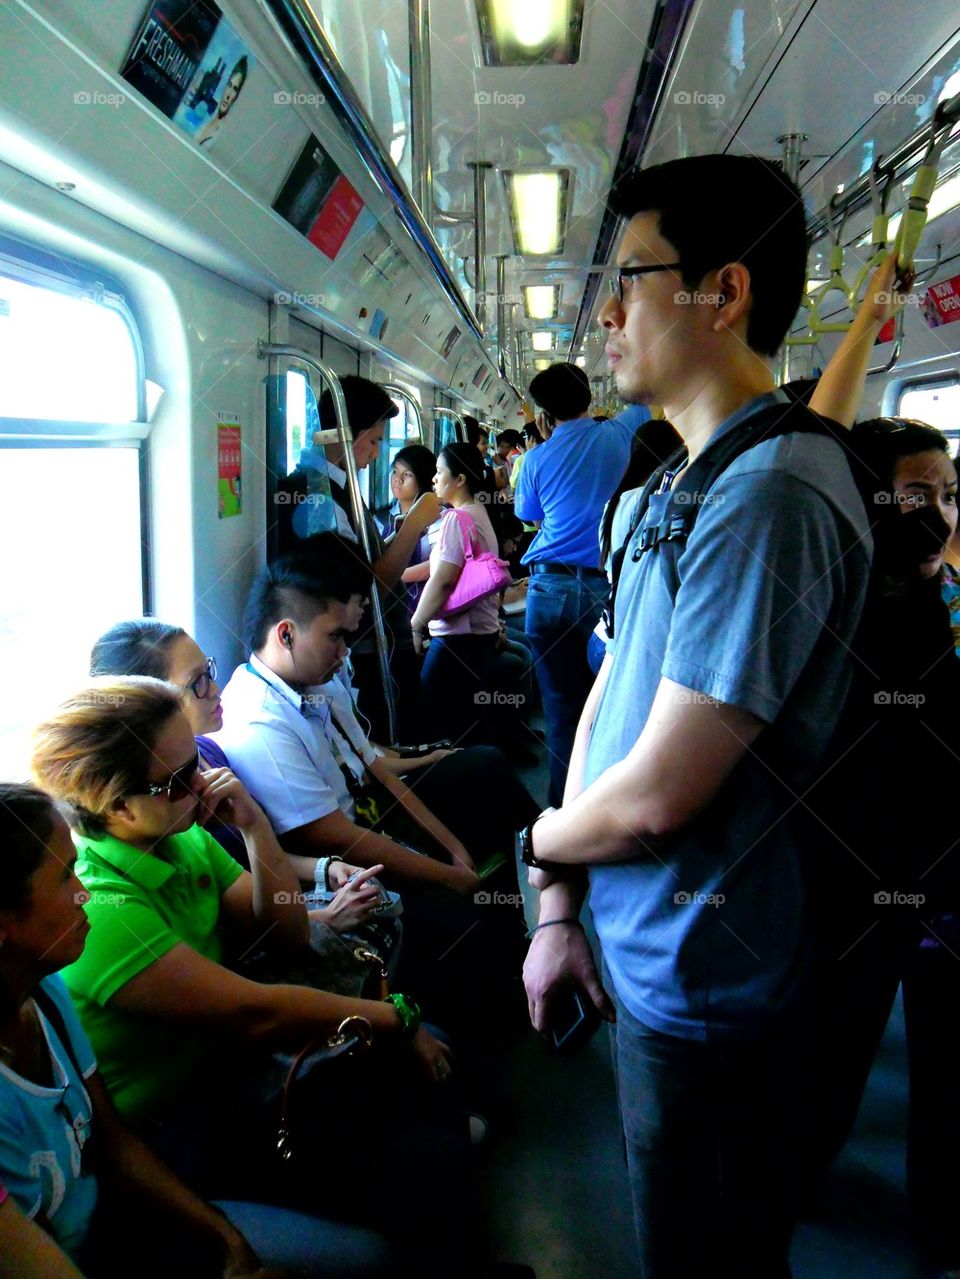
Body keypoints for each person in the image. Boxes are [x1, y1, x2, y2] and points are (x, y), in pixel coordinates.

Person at [521, 154, 872, 1278]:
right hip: (644, 939)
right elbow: (608, 707)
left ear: (723, 293)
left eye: (632, 278)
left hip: (711, 973)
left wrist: (534, 846)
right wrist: (560, 906)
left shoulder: (771, 493)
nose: (609, 313)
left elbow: (661, 794)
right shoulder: (672, 484)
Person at [0, 780, 389, 1277]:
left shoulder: (45, 994)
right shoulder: (107, 913)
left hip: (131, 1212)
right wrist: (396, 1017)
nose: (82, 893)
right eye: (62, 878)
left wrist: (224, 1237)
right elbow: (255, 1012)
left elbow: (113, 1144)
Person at [214, 547, 537, 1027]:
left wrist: (451, 850)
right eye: (337, 637)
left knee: (483, 768)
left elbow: (374, 767)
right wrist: (444, 874)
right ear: (286, 634)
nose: (346, 652)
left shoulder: (316, 681)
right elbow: (334, 836)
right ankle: (497, 994)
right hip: (348, 850)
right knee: (458, 914)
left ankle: (531, 904)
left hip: (370, 811)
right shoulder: (259, 720)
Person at [88, 620, 389, 956]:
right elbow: (229, 924)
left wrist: (324, 867)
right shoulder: (165, 800)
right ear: (150, 701)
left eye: (209, 671)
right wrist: (324, 918)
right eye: (197, 682)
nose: (215, 689)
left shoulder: (208, 755)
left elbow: (247, 864)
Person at [278, 375, 440, 740]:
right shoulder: (318, 500)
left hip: (374, 650)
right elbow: (367, 590)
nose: (377, 453)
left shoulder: (339, 488)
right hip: (359, 657)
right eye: (375, 440)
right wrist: (414, 523)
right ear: (344, 434)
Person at [513, 362, 642, 804]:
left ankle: (559, 810)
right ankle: (601, 808)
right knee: (605, 707)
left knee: (561, 710)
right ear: (590, 400)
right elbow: (645, 402)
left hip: (546, 592)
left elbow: (528, 516)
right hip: (600, 592)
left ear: (545, 416)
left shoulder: (534, 459)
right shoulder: (619, 435)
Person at [410, 443, 504, 746]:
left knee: (438, 713)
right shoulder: (478, 512)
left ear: (460, 479)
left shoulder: (457, 519)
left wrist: (416, 624)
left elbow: (442, 581)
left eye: (439, 472)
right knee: (468, 715)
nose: (434, 479)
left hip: (457, 637)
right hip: (479, 633)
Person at [377, 443, 440, 621]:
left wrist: (392, 576)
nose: (398, 479)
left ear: (423, 479)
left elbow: (437, 565)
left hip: (425, 605)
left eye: (408, 475)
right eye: (395, 471)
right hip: (389, 606)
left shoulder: (437, 516)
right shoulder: (380, 518)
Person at [195, 57, 248, 147]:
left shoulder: (225, 131)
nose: (228, 95)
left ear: (238, 95)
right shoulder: (208, 116)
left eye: (235, 89)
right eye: (229, 85)